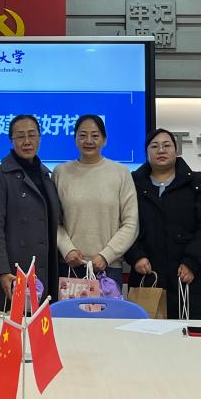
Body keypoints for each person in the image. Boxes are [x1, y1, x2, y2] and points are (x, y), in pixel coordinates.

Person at [125, 128, 201, 319]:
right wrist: (136, 256)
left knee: (192, 335)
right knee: (145, 334)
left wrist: (191, 262)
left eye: (166, 145)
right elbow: (123, 224)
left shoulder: (196, 182)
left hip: (189, 278)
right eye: (154, 146)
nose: (161, 150)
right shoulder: (132, 184)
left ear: (176, 150)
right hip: (147, 278)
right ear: (146, 152)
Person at [0, 115, 61, 311]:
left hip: (46, 268)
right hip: (15, 270)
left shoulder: (46, 175)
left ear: (40, 138)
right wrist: (2, 271)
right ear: (11, 140)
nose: (27, 141)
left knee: (43, 325)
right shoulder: (0, 175)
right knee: (16, 326)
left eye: (32, 135)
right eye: (20, 136)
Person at [54, 115, 138, 288]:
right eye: (82, 135)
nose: (89, 141)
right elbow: (53, 221)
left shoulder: (121, 173)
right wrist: (67, 248)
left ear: (104, 140)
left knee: (106, 308)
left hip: (108, 268)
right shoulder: (61, 172)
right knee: (68, 308)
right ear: (75, 139)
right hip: (70, 266)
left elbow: (131, 223)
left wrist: (106, 255)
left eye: (95, 135)